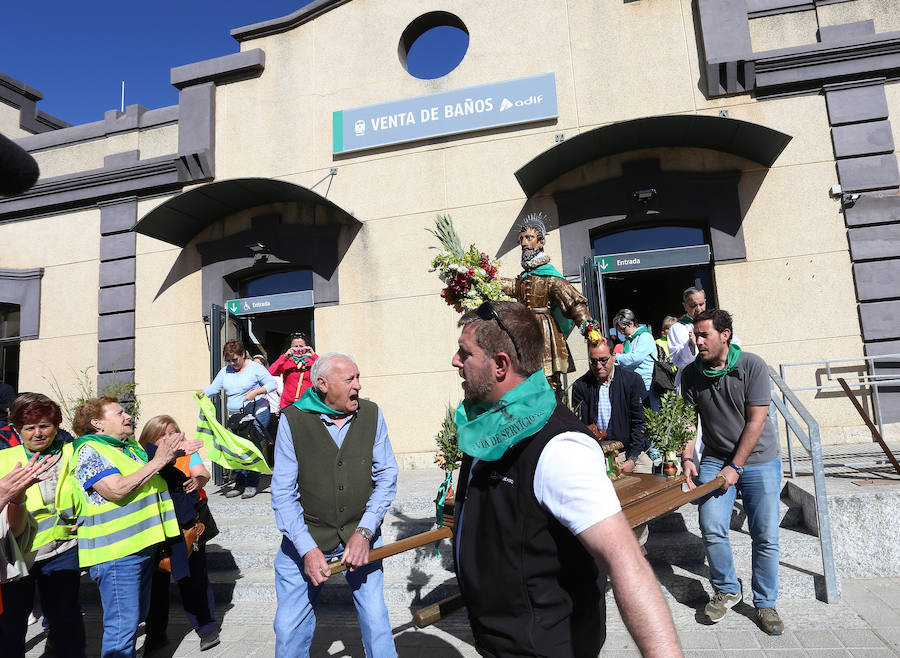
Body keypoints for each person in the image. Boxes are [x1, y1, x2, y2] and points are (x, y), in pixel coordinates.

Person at [451, 301, 681, 656]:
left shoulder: (560, 447)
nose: (455, 361)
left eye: (465, 353)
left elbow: (625, 560)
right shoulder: (488, 424)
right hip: (500, 642)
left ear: (500, 365)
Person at [271, 352, 398, 657]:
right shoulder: (292, 420)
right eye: (350, 379)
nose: (359, 385)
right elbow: (283, 493)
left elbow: (387, 475)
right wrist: (307, 549)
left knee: (377, 620)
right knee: (288, 628)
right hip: (307, 537)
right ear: (323, 384)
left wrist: (365, 531)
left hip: (360, 534)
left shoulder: (371, 414)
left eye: (358, 377)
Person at [65, 396, 197, 658]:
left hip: (142, 548)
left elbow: (145, 481)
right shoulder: (90, 450)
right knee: (121, 630)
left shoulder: (127, 448)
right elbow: (115, 489)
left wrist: (171, 457)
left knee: (132, 621)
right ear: (97, 423)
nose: (128, 417)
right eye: (119, 413)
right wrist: (158, 461)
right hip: (117, 554)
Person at [681, 309, 784, 636]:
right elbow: (687, 421)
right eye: (694, 335)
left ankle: (765, 603)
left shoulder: (751, 365)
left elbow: (756, 421)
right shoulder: (691, 374)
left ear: (724, 335)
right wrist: (686, 457)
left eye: (704, 335)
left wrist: (736, 467)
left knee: (765, 534)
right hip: (714, 458)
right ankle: (727, 588)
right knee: (711, 524)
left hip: (759, 460)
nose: (697, 341)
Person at [0, 397, 85, 657]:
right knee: (10, 626)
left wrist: (86, 521)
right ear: (17, 429)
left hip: (63, 550)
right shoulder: (4, 459)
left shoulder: (72, 454)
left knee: (66, 622)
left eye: (45, 426)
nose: (38, 433)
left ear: (57, 426)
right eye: (29, 427)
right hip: (16, 555)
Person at [140, 416, 219, 653]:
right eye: (162, 434)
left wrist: (197, 480)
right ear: (151, 440)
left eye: (173, 431)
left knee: (194, 580)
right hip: (157, 528)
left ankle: (207, 628)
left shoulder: (187, 452)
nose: (170, 437)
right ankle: (155, 634)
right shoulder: (143, 456)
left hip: (189, 526)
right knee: (156, 586)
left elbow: (202, 473)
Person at [499, 212, 593, 396]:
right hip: (523, 332)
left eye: (529, 238)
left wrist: (589, 328)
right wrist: (480, 277)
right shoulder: (524, 277)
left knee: (547, 380)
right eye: (522, 239)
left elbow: (574, 302)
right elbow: (510, 286)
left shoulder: (550, 276)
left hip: (544, 333)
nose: (524, 243)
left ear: (541, 242)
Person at [202, 339, 277, 499]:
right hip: (235, 417)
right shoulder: (225, 371)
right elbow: (214, 388)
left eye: (235, 359)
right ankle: (239, 483)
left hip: (255, 414)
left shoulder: (255, 368)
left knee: (251, 447)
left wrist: (255, 393)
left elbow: (272, 384)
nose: (232, 363)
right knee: (236, 450)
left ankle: (251, 483)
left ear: (243, 354)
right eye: (228, 360)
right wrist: (203, 393)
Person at [571, 338, 651, 474]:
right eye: (593, 361)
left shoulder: (632, 380)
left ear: (614, 356)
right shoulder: (581, 386)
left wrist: (632, 458)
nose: (598, 366)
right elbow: (581, 425)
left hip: (629, 450)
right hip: (598, 453)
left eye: (603, 360)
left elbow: (640, 422)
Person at [613, 308, 659, 410]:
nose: (622, 333)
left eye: (623, 329)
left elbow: (634, 358)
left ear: (631, 324)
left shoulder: (645, 337)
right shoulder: (628, 341)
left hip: (647, 386)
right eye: (619, 331)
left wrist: (614, 358)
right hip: (632, 385)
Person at [667, 287, 707, 388]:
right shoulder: (678, 328)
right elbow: (678, 360)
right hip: (691, 380)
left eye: (701, 304)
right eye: (693, 305)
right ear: (685, 306)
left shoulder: (715, 322)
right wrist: (691, 345)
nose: (698, 309)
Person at [268, 332, 318, 409]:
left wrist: (314, 356)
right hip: (288, 404)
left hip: (308, 403)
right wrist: (285, 357)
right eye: (295, 346)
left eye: (301, 346)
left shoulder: (312, 362)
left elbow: (326, 371)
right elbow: (271, 372)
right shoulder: (286, 361)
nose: (298, 349)